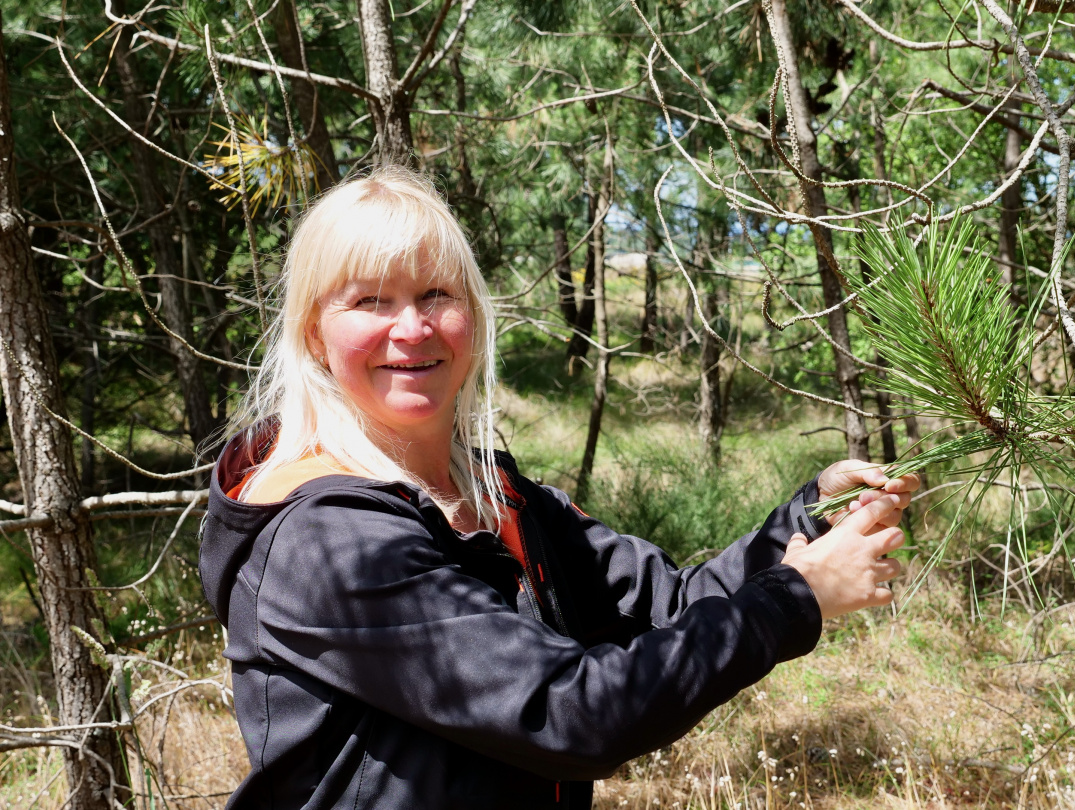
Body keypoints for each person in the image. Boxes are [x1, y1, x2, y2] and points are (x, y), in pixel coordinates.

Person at [200, 166, 919, 809]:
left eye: (435, 293)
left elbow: (672, 603)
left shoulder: (495, 497)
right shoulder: (325, 539)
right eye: (370, 301)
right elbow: (568, 712)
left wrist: (813, 517)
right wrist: (795, 597)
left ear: (473, 319)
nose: (412, 328)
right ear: (315, 334)